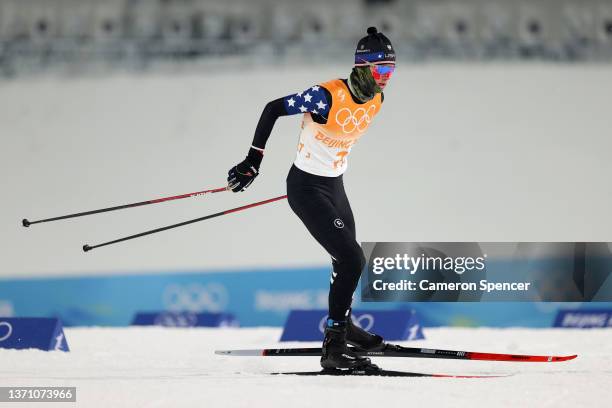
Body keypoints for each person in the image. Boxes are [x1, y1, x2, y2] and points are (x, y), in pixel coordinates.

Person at [227, 27, 395, 370]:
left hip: (334, 185)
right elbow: (273, 108)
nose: (385, 79)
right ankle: (333, 349)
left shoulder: (377, 99)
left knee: (345, 259)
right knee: (351, 259)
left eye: (390, 71)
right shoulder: (326, 96)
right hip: (306, 188)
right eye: (380, 70)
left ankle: (344, 326)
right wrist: (252, 161)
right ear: (362, 67)